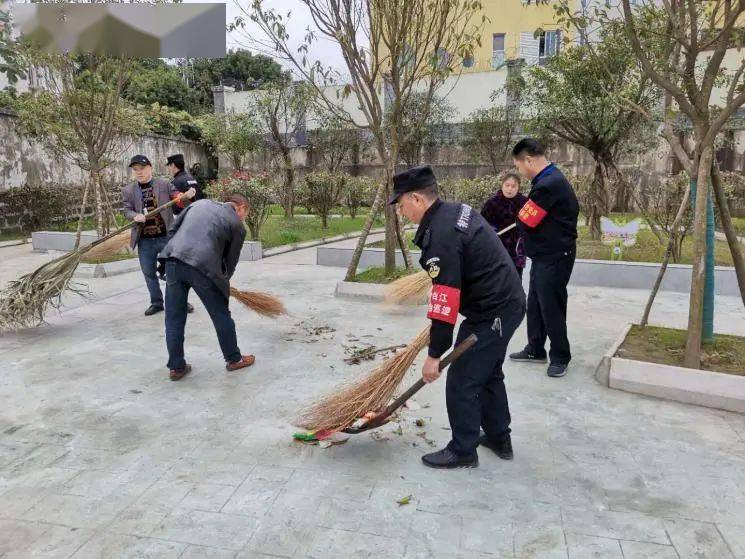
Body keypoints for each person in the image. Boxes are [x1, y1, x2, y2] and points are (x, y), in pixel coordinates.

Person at [390, 165, 526, 469]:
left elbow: (445, 300)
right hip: (506, 303)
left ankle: (463, 449)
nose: (400, 211)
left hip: (494, 312)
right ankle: (499, 438)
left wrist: (434, 354)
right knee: (489, 371)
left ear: (416, 199)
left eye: (401, 204)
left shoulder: (441, 234)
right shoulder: (452, 212)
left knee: (463, 378)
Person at [158, 194, 255, 381]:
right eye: (246, 213)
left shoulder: (199, 204)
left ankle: (176, 367)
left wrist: (173, 254)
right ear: (241, 207)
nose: (244, 217)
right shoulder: (236, 224)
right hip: (203, 268)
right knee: (221, 315)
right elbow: (230, 262)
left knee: (174, 318)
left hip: (173, 261)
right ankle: (234, 359)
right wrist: (223, 283)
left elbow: (173, 229)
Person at [509, 139, 579, 378]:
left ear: (528, 160)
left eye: (518, 166)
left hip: (556, 256)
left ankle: (560, 356)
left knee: (551, 306)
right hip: (543, 255)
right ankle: (535, 348)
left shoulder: (549, 184)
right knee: (536, 304)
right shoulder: (546, 179)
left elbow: (526, 220)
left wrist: (520, 217)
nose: (520, 171)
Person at [121, 155, 195, 316]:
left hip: (165, 237)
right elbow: (126, 209)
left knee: (173, 272)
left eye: (142, 169)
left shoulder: (163, 184)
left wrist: (186, 196)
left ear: (150, 168)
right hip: (144, 240)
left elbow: (177, 198)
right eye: (136, 170)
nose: (139, 172)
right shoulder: (128, 190)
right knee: (148, 272)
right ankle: (156, 303)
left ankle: (180, 301)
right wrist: (134, 215)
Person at [480, 172, 529, 278]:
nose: (509, 189)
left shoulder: (525, 203)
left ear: (518, 187)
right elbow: (482, 225)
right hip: (497, 249)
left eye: (513, 186)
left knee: (515, 280)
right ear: (502, 185)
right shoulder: (492, 203)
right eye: (507, 185)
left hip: (517, 250)